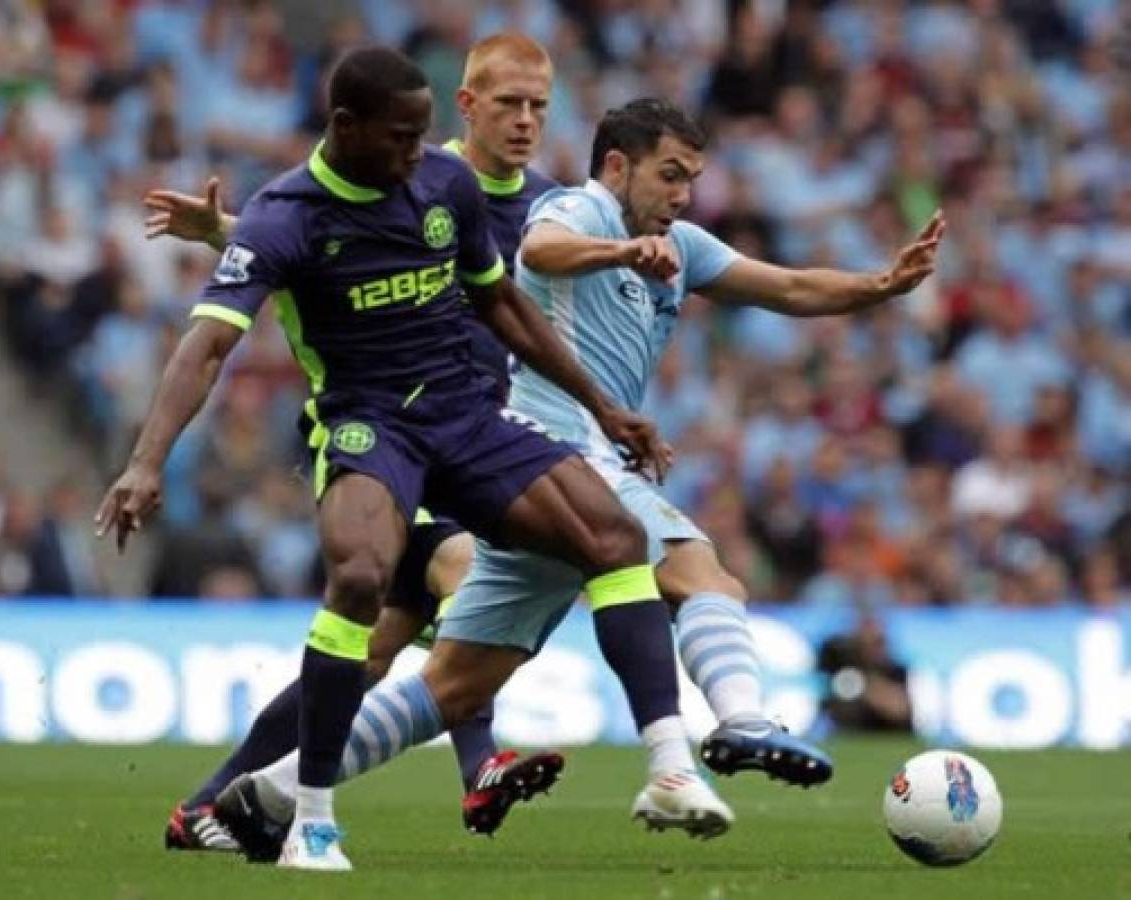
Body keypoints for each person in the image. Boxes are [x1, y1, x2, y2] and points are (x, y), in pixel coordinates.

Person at [210, 97, 942, 858]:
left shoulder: (680, 246)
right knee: (706, 579)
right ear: (618, 166)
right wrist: (622, 254)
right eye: (668, 175)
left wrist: (879, 285)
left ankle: (268, 792)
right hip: (552, 452)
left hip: (540, 485)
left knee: (453, 686)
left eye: (691, 178)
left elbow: (787, 289)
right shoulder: (577, 209)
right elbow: (542, 253)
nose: (682, 194)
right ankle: (740, 721)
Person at [97, 47, 691, 873]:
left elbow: (501, 304)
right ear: (346, 127)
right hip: (369, 430)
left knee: (602, 540)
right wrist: (145, 462)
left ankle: (219, 801)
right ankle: (329, 811)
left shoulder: (448, 189)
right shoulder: (284, 213)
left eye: (423, 137)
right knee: (376, 583)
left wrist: (601, 406)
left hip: (468, 421)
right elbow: (204, 348)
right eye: (404, 137)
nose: (420, 154)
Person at [154, 33, 563, 853]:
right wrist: (225, 234)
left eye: (539, 107)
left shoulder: (552, 205)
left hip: (473, 435)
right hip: (387, 440)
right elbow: (315, 233)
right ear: (467, 107)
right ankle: (477, 766)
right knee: (470, 584)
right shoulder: (419, 168)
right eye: (508, 104)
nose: (524, 122)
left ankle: (205, 807)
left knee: (369, 658)